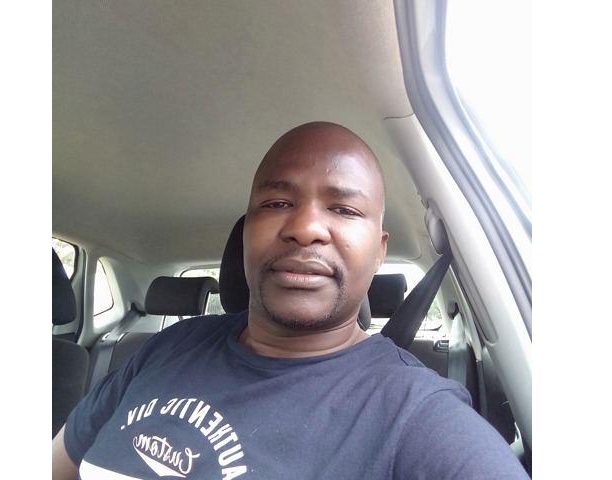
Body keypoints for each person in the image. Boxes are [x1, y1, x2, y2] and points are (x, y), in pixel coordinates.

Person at [52, 121, 529, 479]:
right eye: (277, 204)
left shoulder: (418, 416)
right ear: (246, 233)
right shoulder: (164, 349)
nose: (305, 228)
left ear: (379, 251)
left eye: (344, 208)